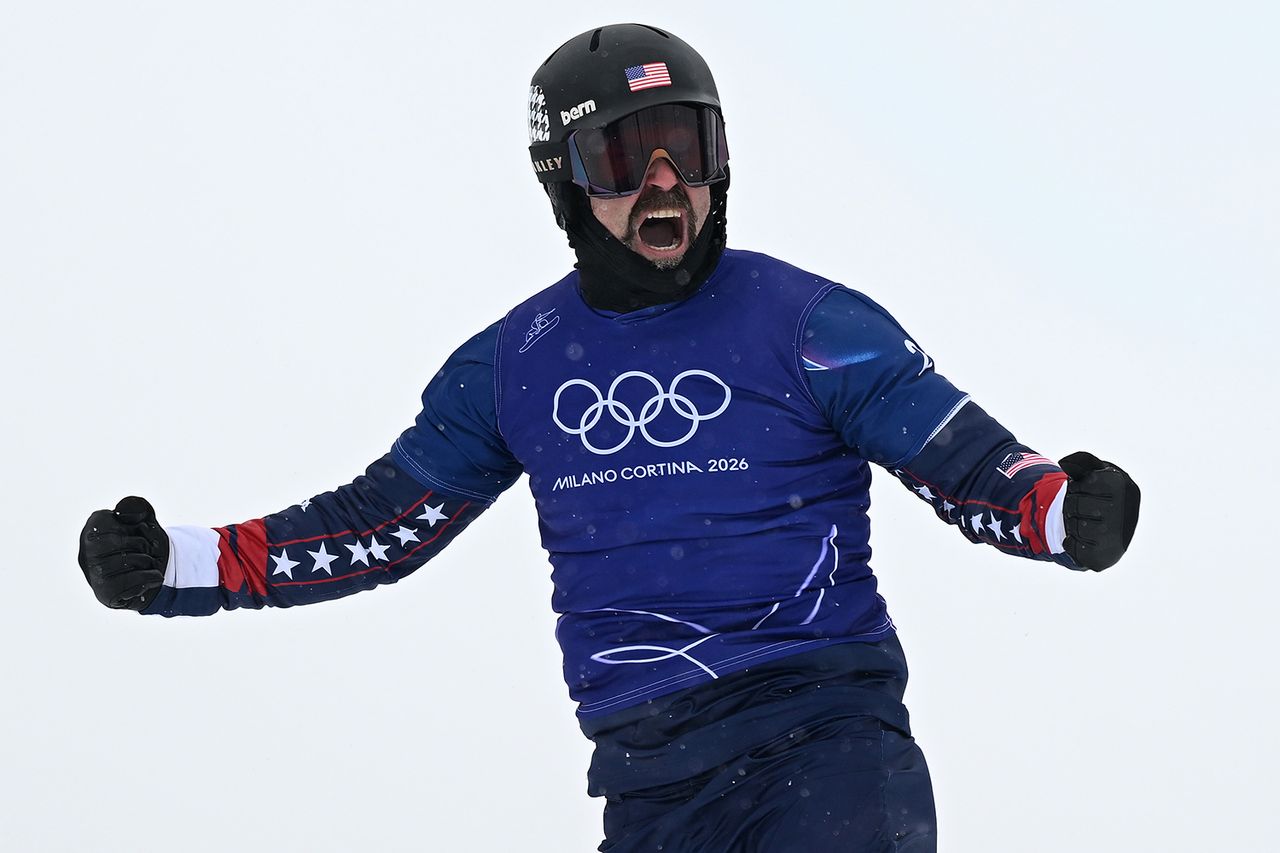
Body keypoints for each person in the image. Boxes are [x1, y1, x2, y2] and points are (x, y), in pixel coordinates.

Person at [78, 23, 1140, 853]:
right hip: (649, 783)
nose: (665, 184)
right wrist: (183, 560)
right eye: (625, 155)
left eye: (686, 145)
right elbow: (384, 524)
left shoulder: (810, 326)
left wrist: (1055, 512)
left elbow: (963, 461)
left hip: (825, 739)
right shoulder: (516, 364)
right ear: (563, 180)